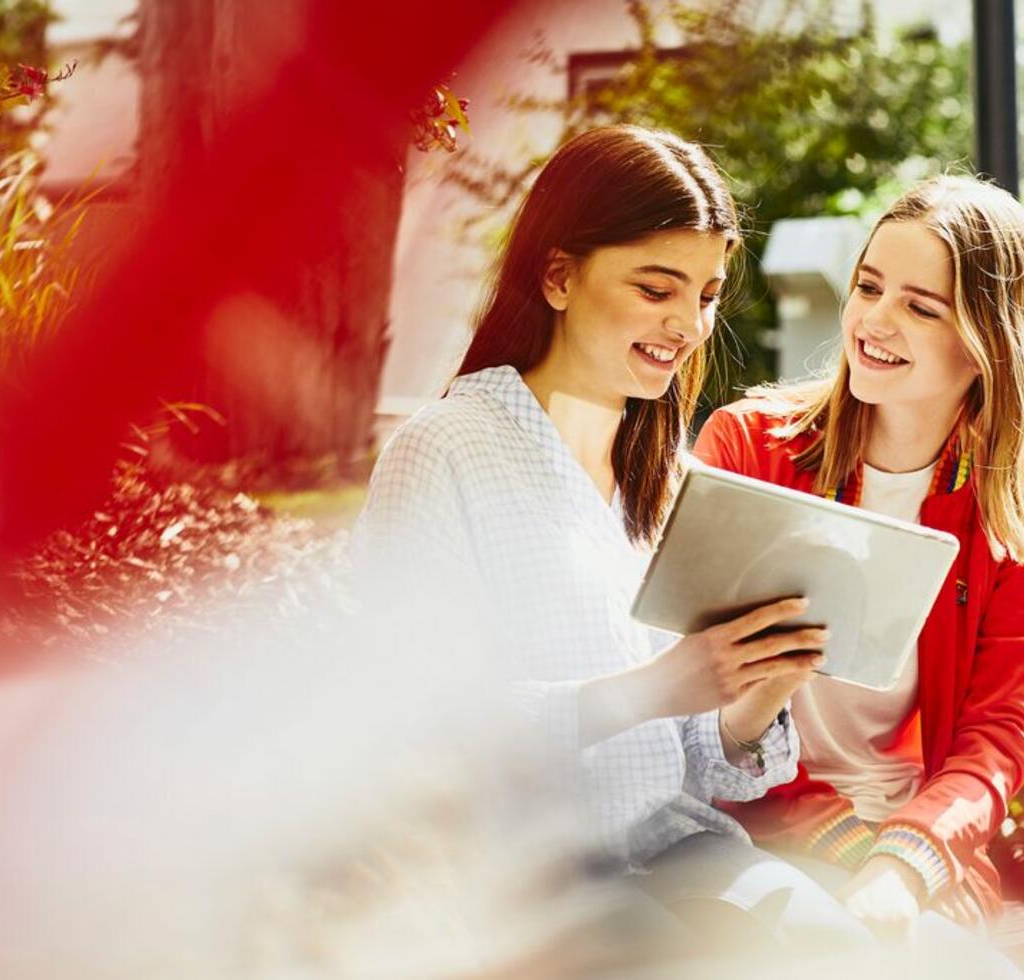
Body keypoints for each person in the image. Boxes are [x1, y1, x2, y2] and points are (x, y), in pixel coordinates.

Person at [352, 125, 874, 964]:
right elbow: (421, 730)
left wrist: (752, 695)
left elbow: (702, 766)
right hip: (520, 877)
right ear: (558, 276)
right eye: (655, 288)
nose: (687, 324)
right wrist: (654, 687)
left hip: (676, 852)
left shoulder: (665, 476)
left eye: (704, 296)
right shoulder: (444, 450)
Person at [694, 174, 1024, 939]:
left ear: (985, 345)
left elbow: (995, 735)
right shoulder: (745, 448)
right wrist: (847, 848)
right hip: (748, 831)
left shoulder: (1023, 512)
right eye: (867, 286)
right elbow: (699, 698)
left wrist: (901, 863)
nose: (872, 319)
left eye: (918, 307)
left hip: (922, 854)